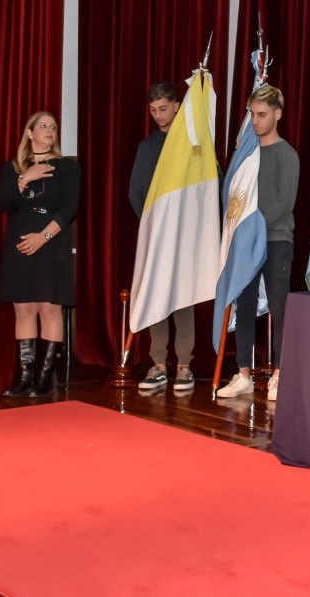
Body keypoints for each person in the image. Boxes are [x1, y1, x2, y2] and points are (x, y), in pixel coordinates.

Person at [218, 85, 298, 402]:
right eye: (252, 114)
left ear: (277, 114)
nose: (256, 121)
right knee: (246, 305)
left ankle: (280, 374)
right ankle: (244, 374)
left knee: (279, 307)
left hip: (275, 240)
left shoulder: (286, 155)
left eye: (262, 114)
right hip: (246, 243)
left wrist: (252, 227)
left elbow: (285, 203)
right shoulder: (246, 154)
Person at [0, 111, 81, 397]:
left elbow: (70, 208)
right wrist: (24, 178)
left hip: (51, 242)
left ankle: (43, 380)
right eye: (42, 126)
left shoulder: (66, 167)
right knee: (24, 308)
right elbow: (2, 202)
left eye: (53, 126)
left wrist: (43, 237)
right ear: (29, 133)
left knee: (49, 308)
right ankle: (24, 378)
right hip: (19, 242)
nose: (49, 130)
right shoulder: (13, 167)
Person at [130, 82, 196, 392]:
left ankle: (184, 365)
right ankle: (158, 364)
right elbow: (137, 192)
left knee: (183, 299)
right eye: (153, 111)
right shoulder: (148, 147)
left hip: (186, 236)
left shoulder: (194, 144)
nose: (158, 115)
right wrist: (153, 224)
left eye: (164, 109)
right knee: (157, 298)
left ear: (177, 106)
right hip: (156, 236)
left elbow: (208, 187)